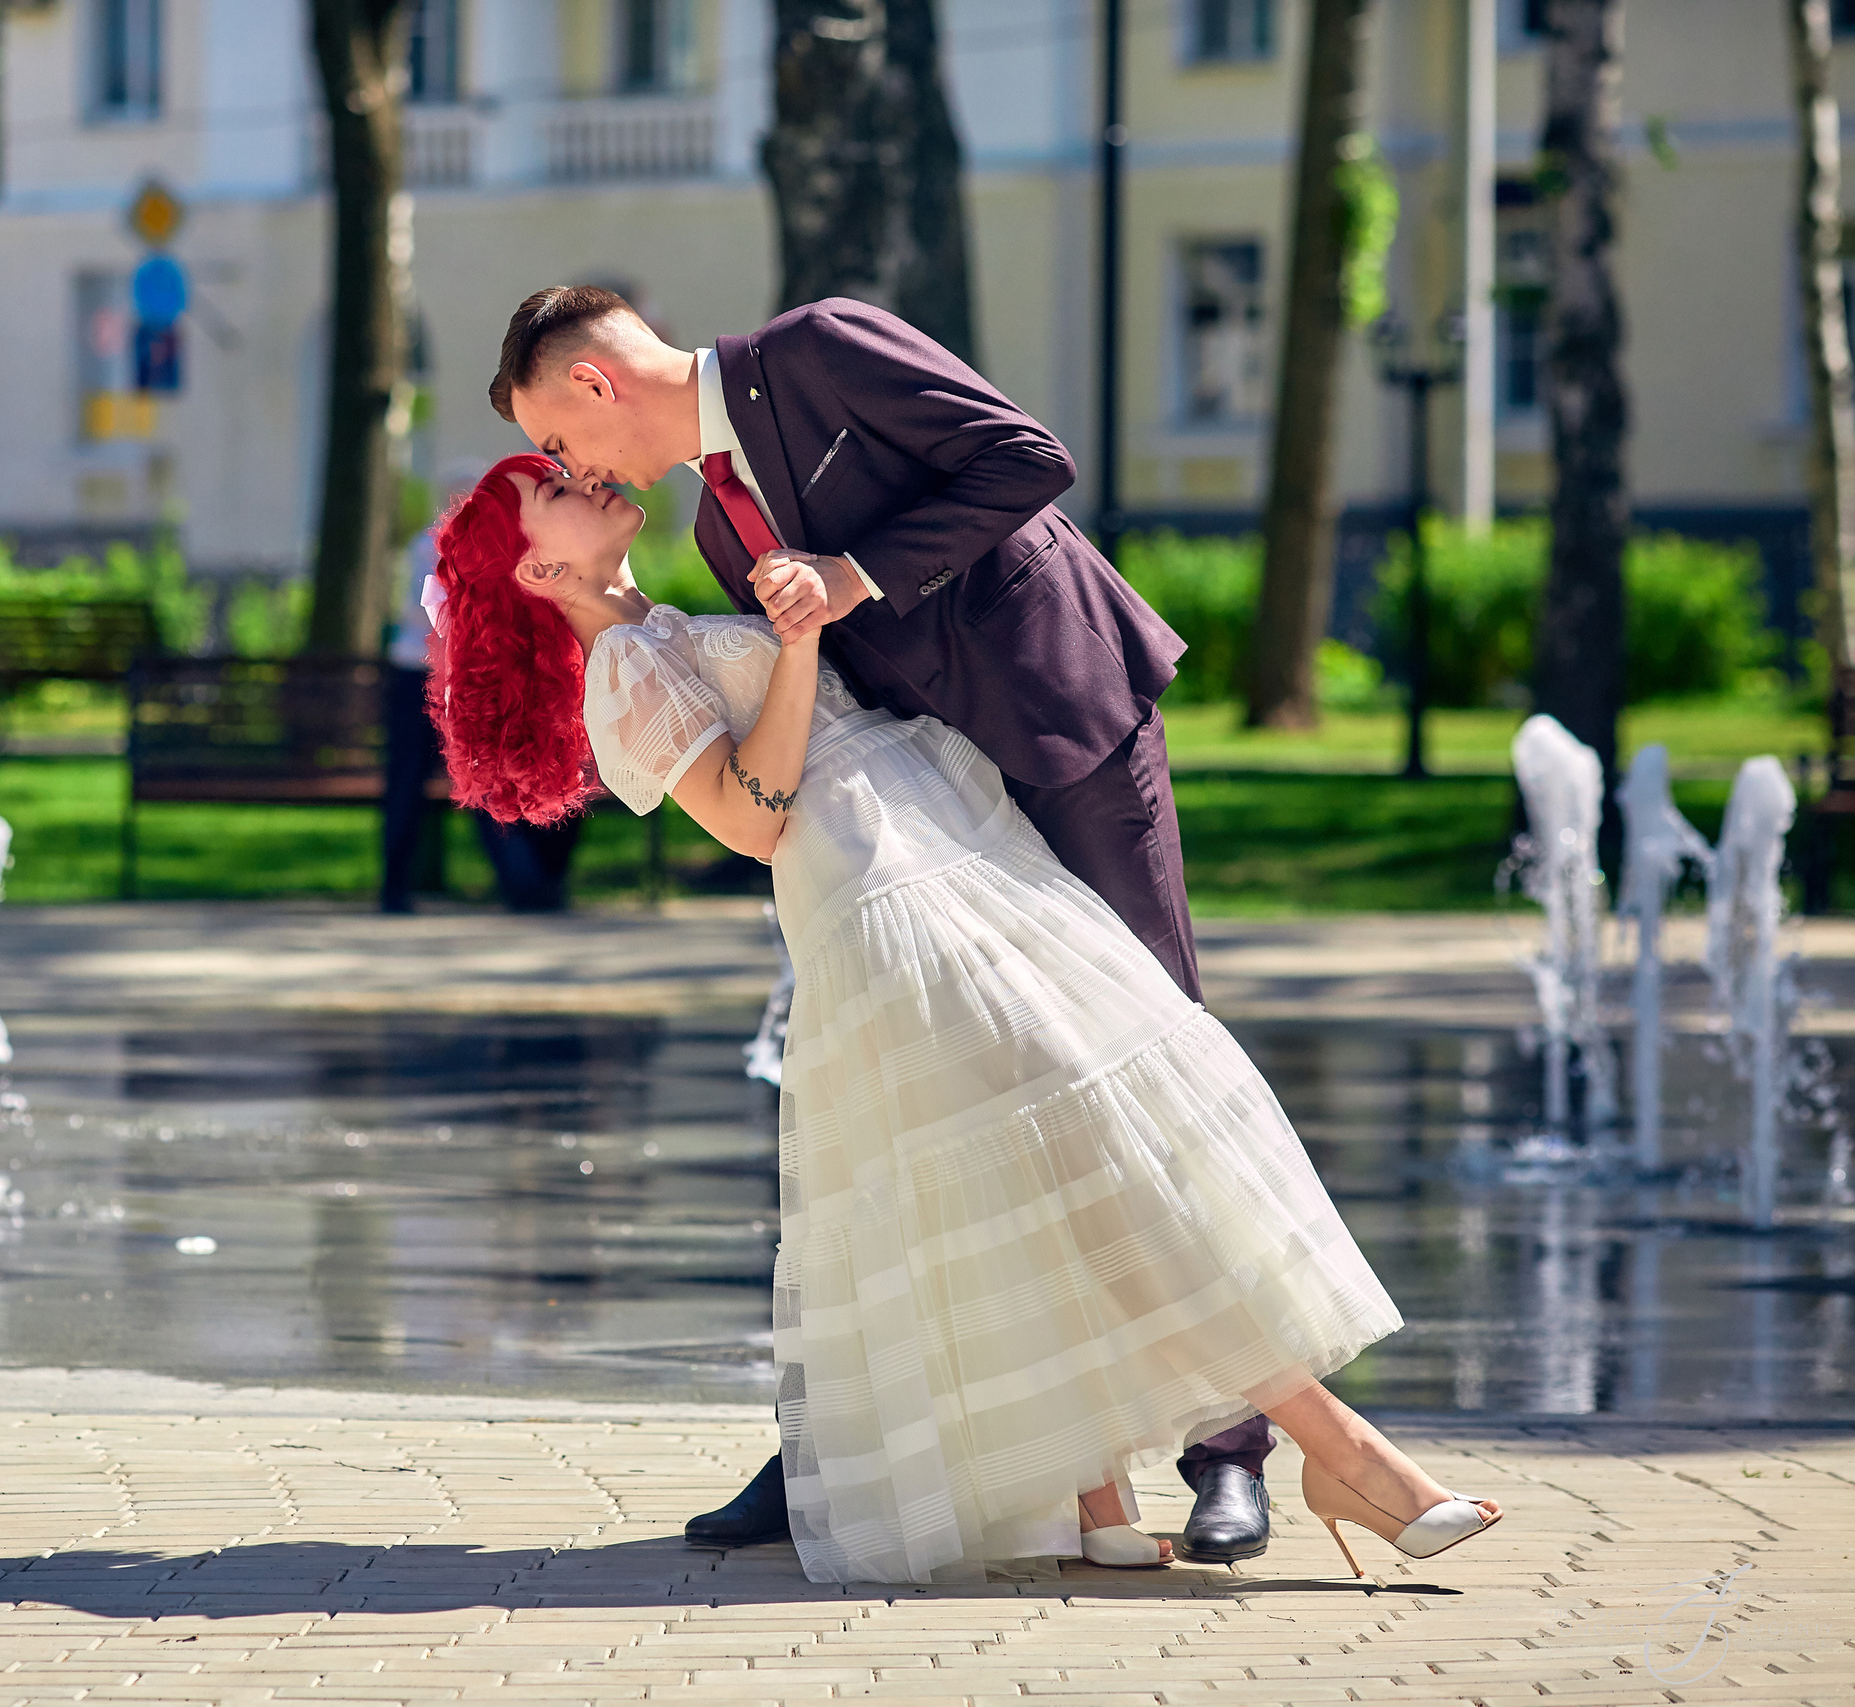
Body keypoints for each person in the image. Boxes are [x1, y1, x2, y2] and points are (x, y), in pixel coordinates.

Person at [423, 451, 1503, 1583]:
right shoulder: (620, 671)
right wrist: (796, 643)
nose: (584, 477)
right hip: (885, 900)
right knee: (1094, 1153)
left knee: (1059, 1168)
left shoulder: (656, 623)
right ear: (538, 564)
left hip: (946, 850)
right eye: (552, 486)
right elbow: (751, 816)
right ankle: (1348, 1456)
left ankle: (1098, 1498)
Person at [490, 284, 1270, 1562]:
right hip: (946, 810)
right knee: (935, 1119)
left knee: (1149, 1070)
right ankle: (844, 1443)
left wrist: (852, 574)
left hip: (1068, 729)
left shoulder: (818, 349)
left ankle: (1226, 1450)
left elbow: (1028, 459)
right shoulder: (708, 531)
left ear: (593, 383)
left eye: (562, 443)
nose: (571, 466)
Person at [384, 507, 582, 914]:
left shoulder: (494, 554)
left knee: (480, 780)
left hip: (448, 675)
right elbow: (427, 613)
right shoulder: (435, 549)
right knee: (442, 782)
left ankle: (522, 884)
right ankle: (400, 887)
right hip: (423, 675)